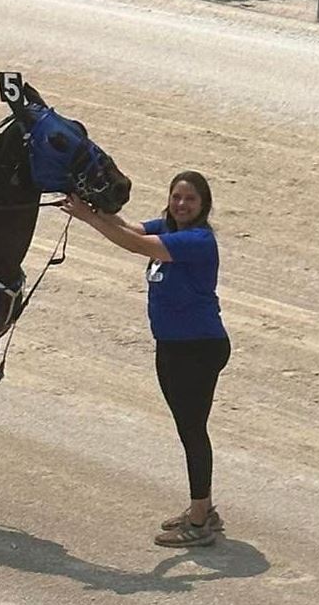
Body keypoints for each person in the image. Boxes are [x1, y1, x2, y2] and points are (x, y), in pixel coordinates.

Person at [62, 171, 230, 548]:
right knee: (188, 428)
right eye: (177, 197)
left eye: (190, 200)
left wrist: (87, 218)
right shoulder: (167, 228)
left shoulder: (197, 240)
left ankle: (201, 519)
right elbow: (127, 226)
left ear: (203, 206)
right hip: (172, 346)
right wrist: (91, 207)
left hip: (199, 348)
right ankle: (202, 506)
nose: (182, 204)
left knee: (193, 430)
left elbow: (133, 244)